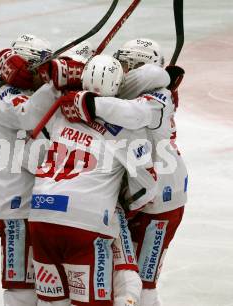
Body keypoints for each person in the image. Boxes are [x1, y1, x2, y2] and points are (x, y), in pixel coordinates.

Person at [28, 54, 158, 306]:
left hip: (41, 215)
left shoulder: (59, 112)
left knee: (51, 304)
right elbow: (146, 187)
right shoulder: (128, 128)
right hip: (85, 223)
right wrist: (127, 206)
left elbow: (33, 157)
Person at [66, 38, 188, 306]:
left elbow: (133, 112)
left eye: (127, 64)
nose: (121, 68)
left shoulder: (158, 95)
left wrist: (89, 103)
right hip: (135, 192)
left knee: (142, 286)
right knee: (118, 278)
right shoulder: (138, 88)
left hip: (161, 201)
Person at [0, 33, 59, 306]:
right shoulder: (8, 96)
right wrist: (56, 85)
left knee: (44, 287)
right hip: (15, 208)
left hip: (32, 205)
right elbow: (30, 117)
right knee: (22, 290)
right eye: (43, 65)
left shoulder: (21, 90)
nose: (46, 71)